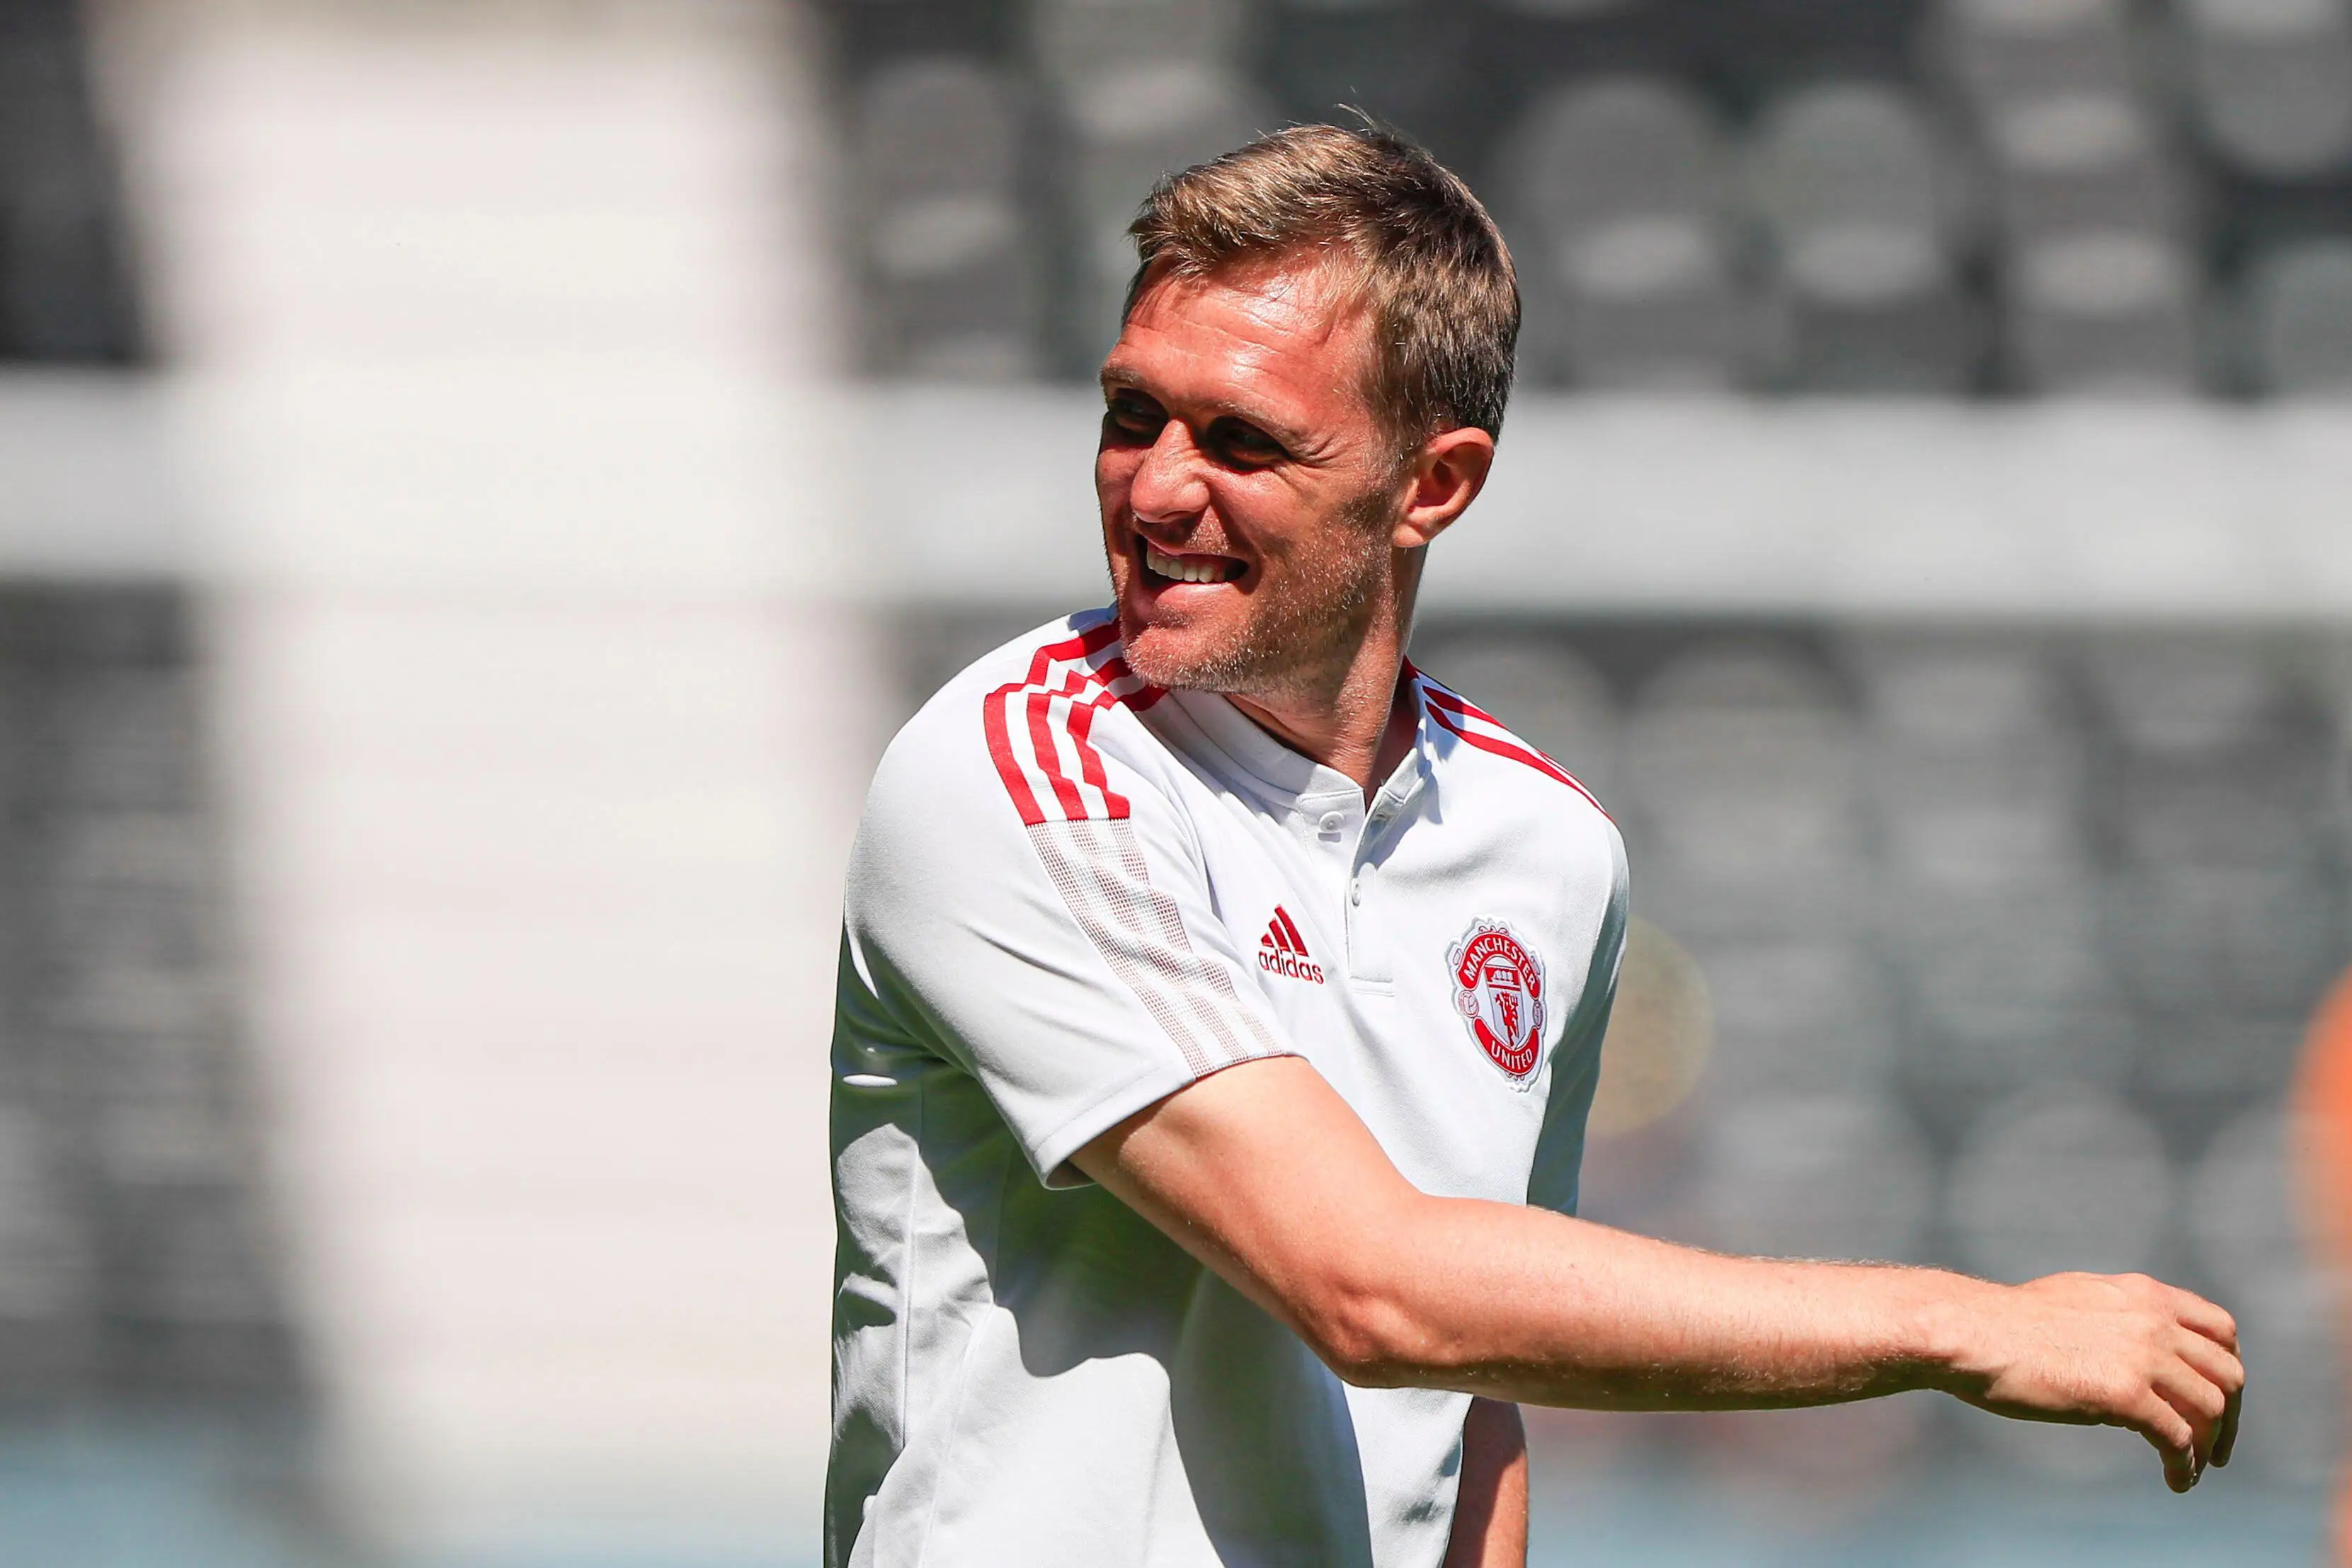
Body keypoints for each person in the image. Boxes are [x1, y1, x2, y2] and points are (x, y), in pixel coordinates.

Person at [825, 124, 2244, 1568]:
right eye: (1134, 415)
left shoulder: (1544, 847)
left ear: (1432, 485)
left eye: (1242, 439)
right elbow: (1373, 1290)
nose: (1154, 489)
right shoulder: (1015, 778)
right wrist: (1964, 1326)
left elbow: (1471, 1387)